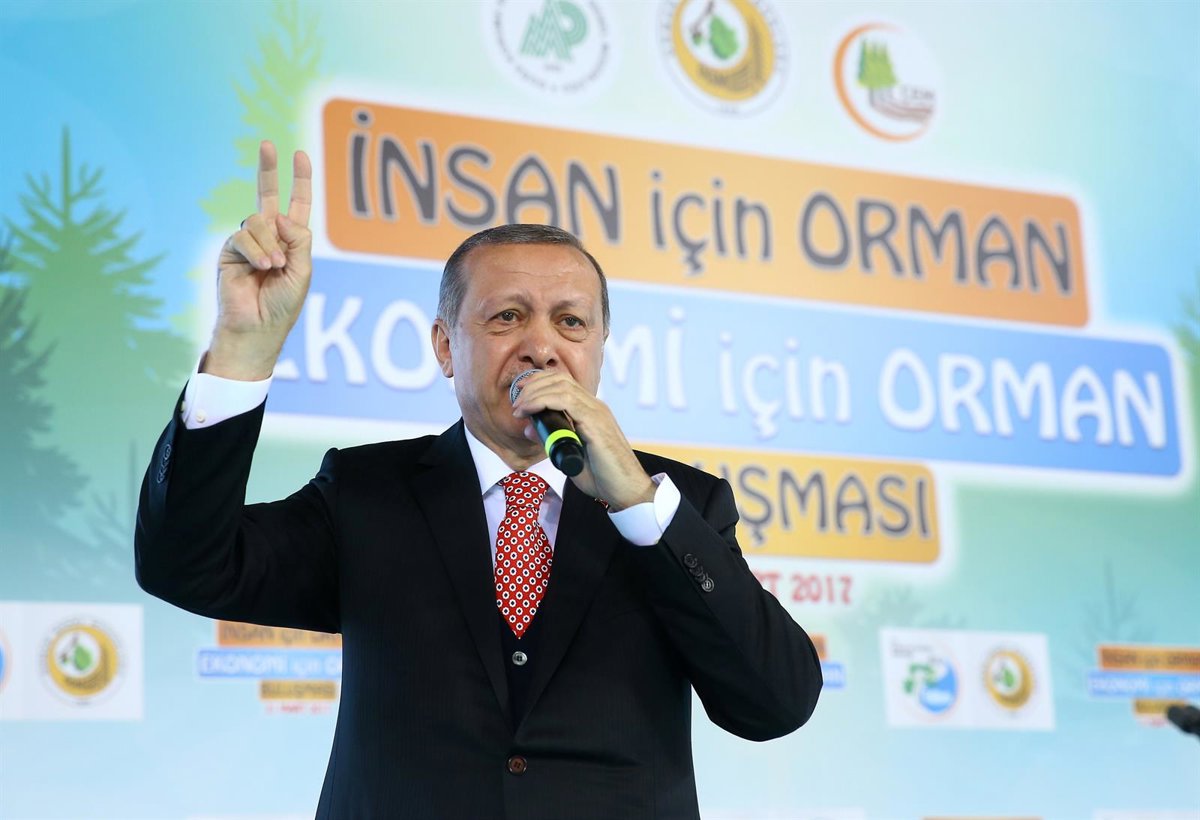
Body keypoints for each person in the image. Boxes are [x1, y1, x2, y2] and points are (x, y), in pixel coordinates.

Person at [136, 141, 822, 819]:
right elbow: (186, 564)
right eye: (507, 317)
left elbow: (776, 703)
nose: (541, 345)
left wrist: (639, 506)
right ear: (445, 345)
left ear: (599, 350)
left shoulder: (677, 505)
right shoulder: (366, 491)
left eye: (570, 322)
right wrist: (241, 351)